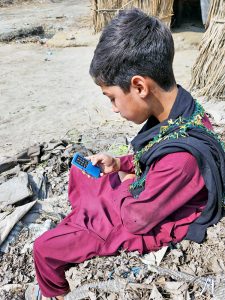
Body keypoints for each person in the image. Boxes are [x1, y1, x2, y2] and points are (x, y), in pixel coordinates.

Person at [28, 8, 225, 300]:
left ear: (139, 86)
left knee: (44, 250)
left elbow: (137, 220)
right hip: (150, 194)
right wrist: (121, 162)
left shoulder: (180, 162)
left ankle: (56, 291)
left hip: (141, 216)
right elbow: (158, 148)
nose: (114, 109)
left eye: (112, 98)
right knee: (83, 171)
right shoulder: (182, 108)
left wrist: (121, 187)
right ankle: (85, 215)